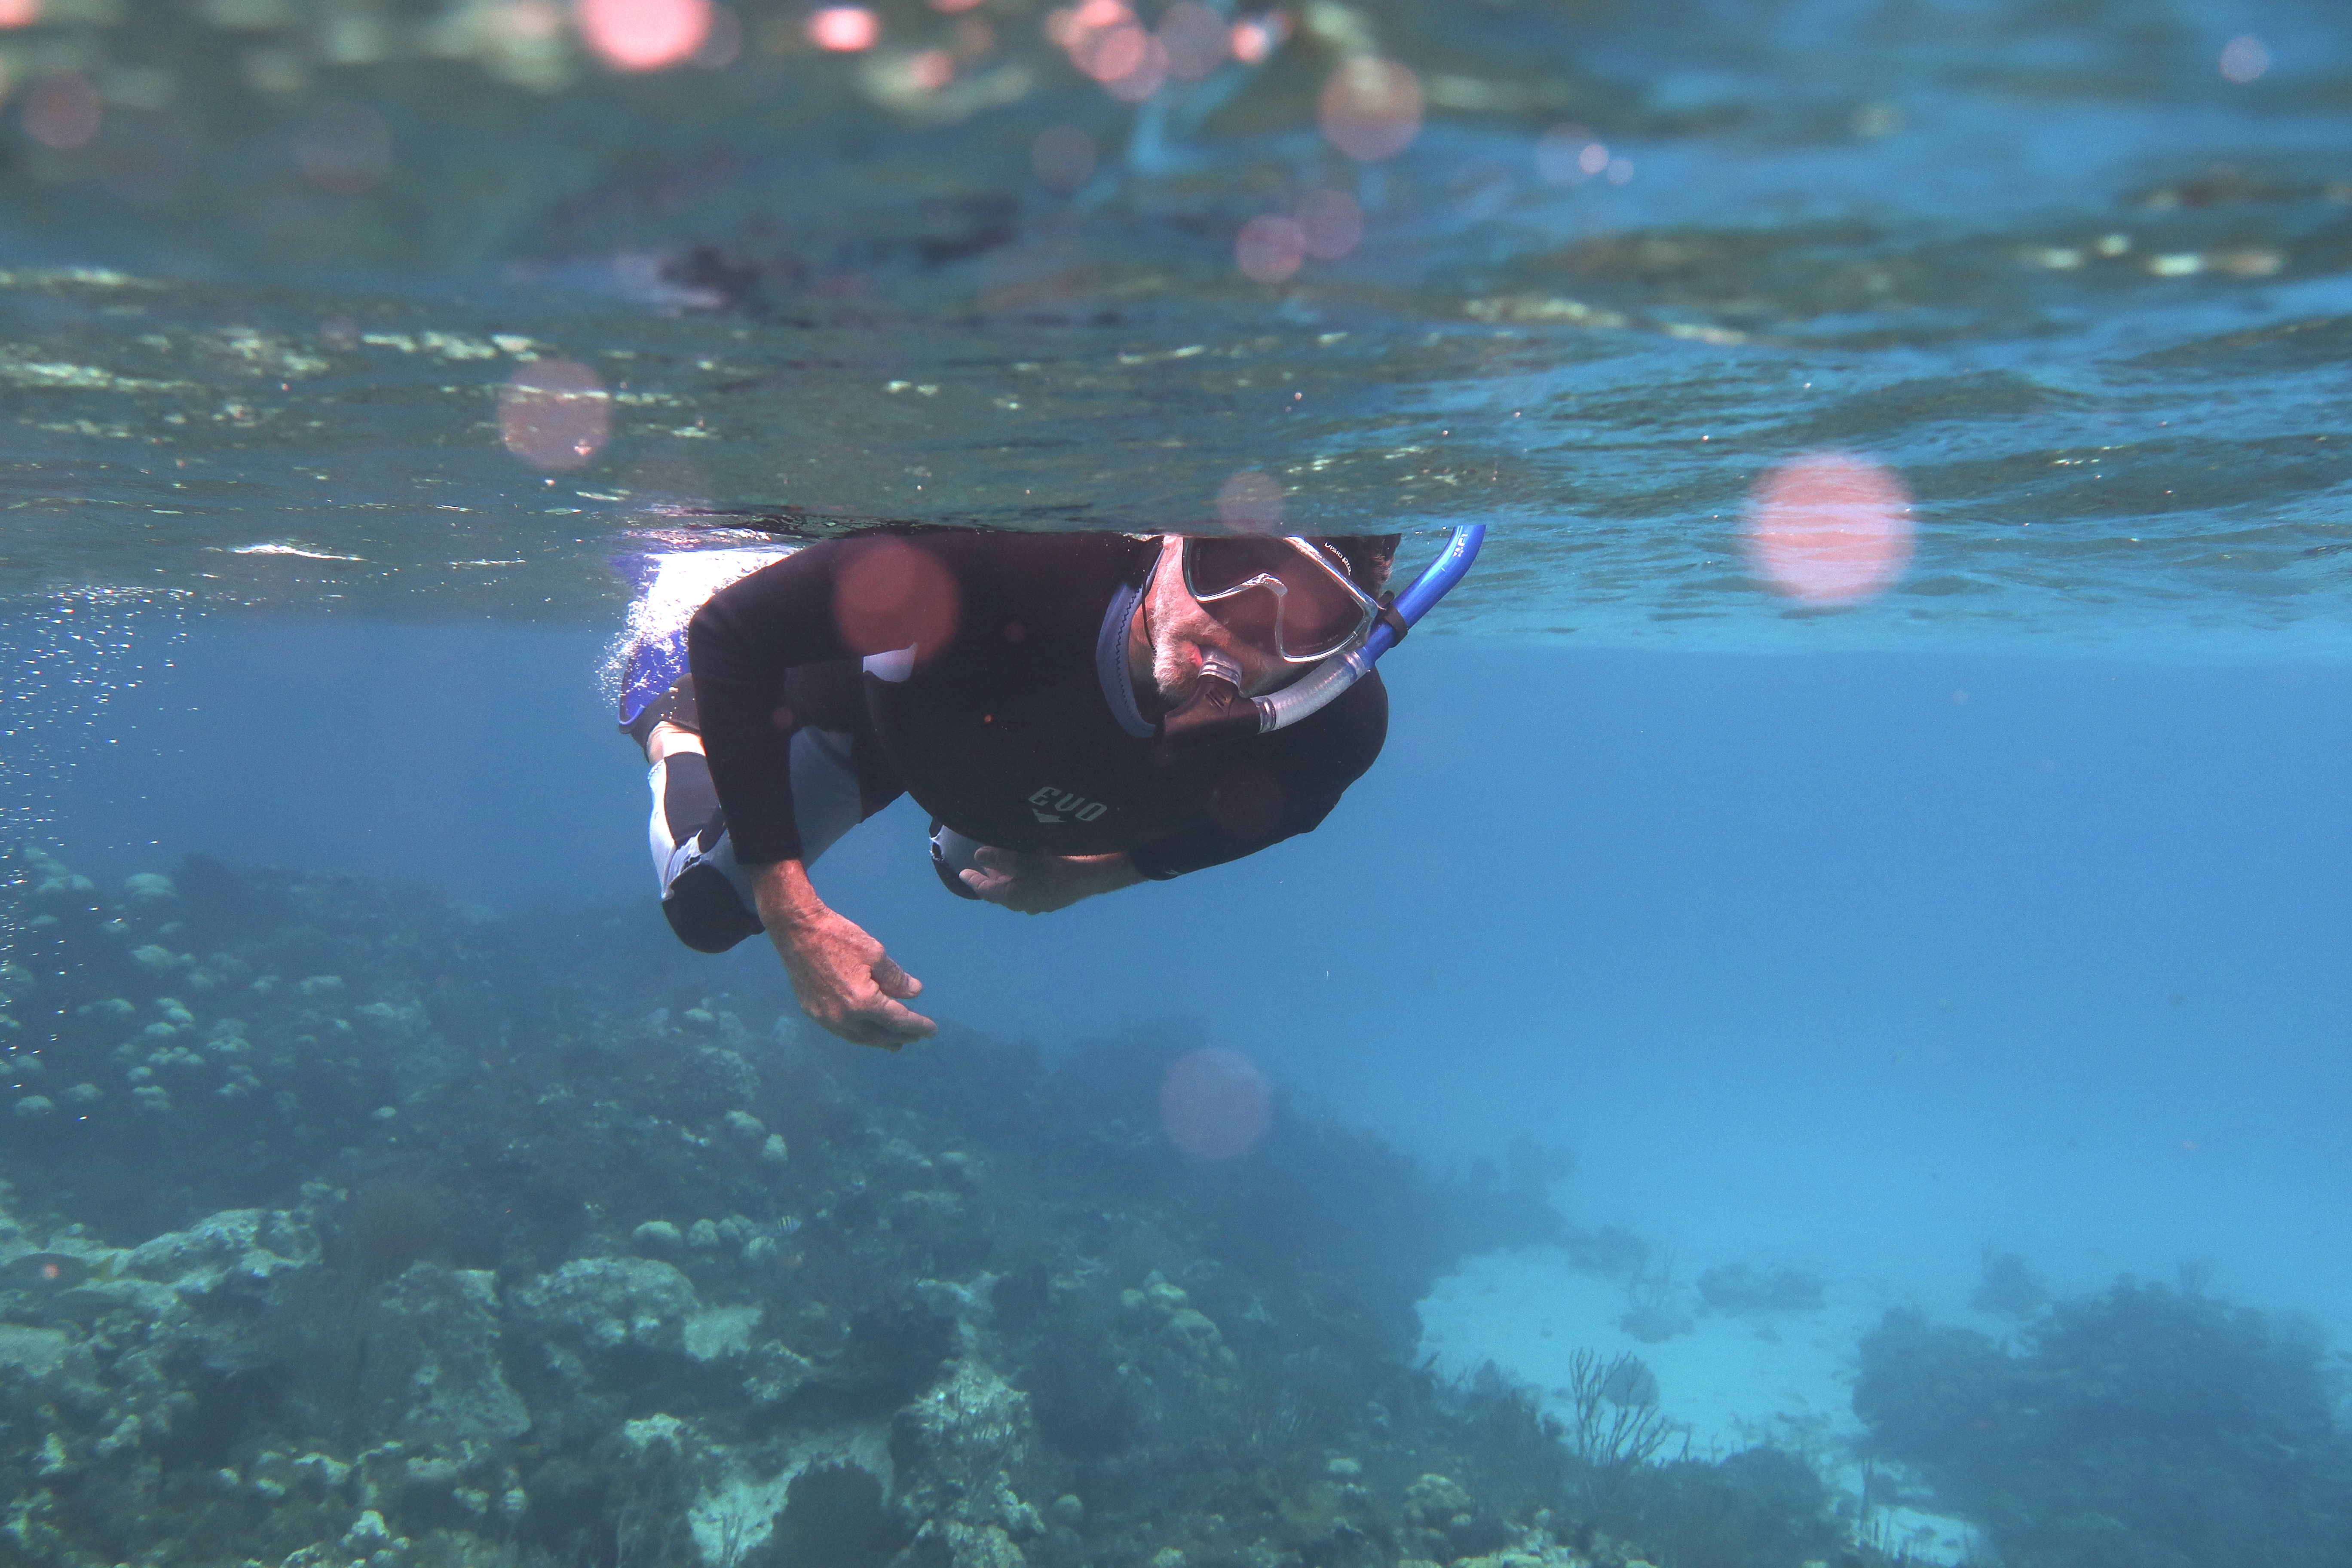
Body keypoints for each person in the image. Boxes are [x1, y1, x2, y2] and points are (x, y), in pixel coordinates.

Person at [621, 529, 1403, 1050]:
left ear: (1346, 645)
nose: (1235, 628)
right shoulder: (1010, 566)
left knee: (971, 874)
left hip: (1004, 772)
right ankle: (668, 722)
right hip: (868, 711)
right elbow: (733, 632)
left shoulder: (1333, 728)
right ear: (1170, 539)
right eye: (1227, 567)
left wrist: (1097, 875)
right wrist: (792, 912)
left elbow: (1283, 815)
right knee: (708, 912)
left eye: (1308, 619)